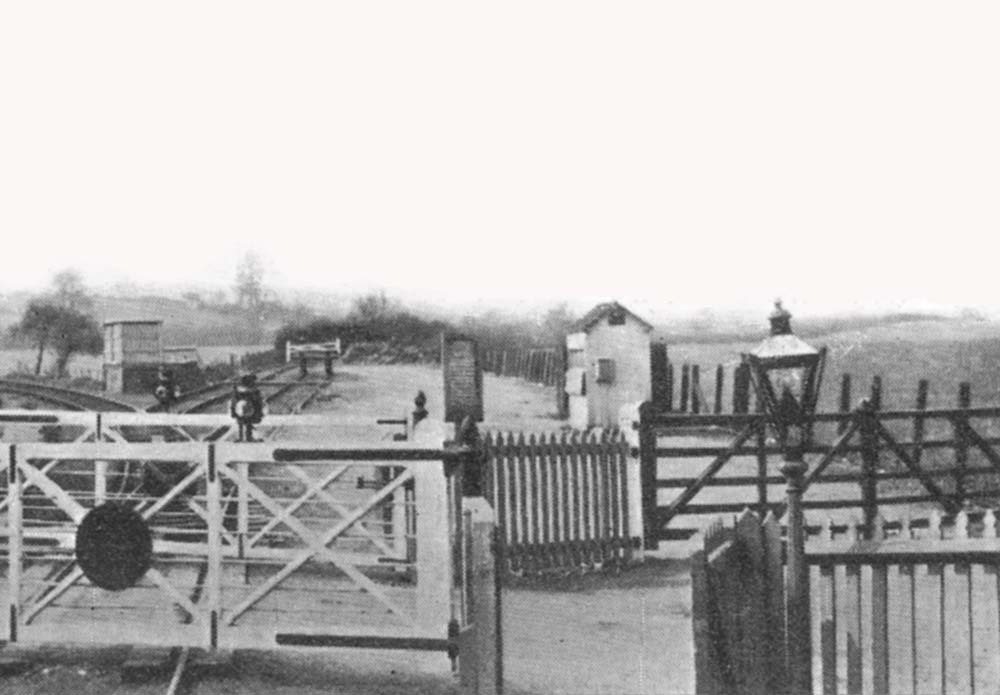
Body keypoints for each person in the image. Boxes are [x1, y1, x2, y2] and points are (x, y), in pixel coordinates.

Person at [230, 372, 264, 441]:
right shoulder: (252, 390)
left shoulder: (238, 389)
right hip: (245, 408)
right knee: (247, 420)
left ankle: (243, 436)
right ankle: (247, 436)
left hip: (243, 408)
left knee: (242, 420)